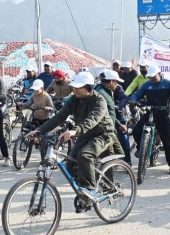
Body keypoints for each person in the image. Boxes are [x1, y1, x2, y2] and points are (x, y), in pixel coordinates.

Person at [29, 71, 116, 204]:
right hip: (85, 134)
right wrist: (39, 130)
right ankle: (83, 192)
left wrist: (75, 130)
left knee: (85, 155)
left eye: (78, 87)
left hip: (102, 134)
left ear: (88, 88)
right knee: (70, 164)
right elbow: (60, 116)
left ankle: (89, 189)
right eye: (74, 86)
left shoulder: (99, 100)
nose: (74, 89)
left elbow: (93, 119)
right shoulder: (74, 99)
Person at [129, 64, 170, 175]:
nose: (151, 79)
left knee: (167, 143)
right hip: (150, 112)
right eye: (150, 77)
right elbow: (136, 94)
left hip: (164, 115)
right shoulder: (146, 85)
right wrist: (133, 100)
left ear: (159, 74)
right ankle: (140, 148)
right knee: (136, 130)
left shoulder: (168, 84)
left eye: (153, 76)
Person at [96, 70, 130, 163]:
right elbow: (107, 114)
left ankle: (126, 163)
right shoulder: (101, 93)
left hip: (116, 119)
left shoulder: (114, 89)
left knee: (120, 149)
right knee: (110, 154)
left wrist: (118, 106)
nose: (117, 83)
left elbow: (124, 98)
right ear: (111, 81)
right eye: (116, 81)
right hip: (107, 128)